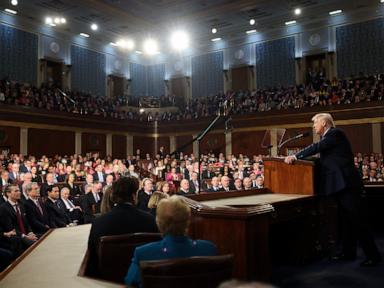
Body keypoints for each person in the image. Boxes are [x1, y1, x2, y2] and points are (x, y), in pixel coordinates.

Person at [284, 113, 381, 266]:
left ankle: (373, 256)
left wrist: (296, 156)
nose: (313, 126)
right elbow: (322, 157)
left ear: (324, 123)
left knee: (358, 221)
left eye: (315, 123)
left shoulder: (336, 133)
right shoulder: (328, 139)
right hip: (340, 186)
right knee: (346, 222)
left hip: (348, 185)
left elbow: (317, 147)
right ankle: (349, 253)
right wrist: (303, 159)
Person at [125, 195, 217, 287]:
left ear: (158, 222)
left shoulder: (143, 253)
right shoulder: (209, 249)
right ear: (188, 221)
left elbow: (129, 283)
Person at [87, 177, 158, 277]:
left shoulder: (99, 222)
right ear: (134, 196)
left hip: (108, 279)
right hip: (143, 277)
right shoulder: (149, 220)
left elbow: (92, 260)